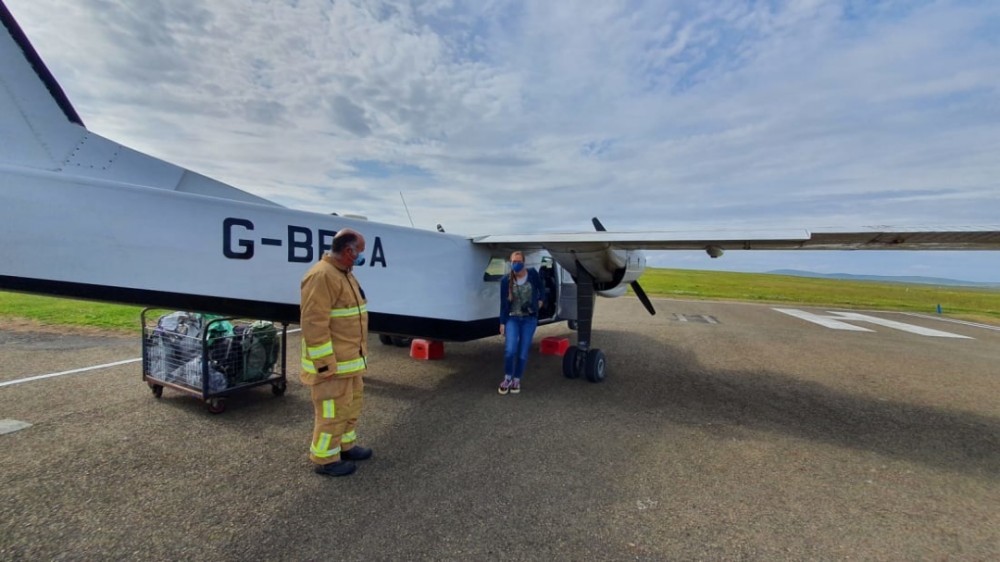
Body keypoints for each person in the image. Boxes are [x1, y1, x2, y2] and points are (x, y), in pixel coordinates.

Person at [299, 228, 372, 477]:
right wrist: (324, 365)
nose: (362, 256)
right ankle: (325, 458)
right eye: (360, 251)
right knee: (331, 411)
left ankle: (345, 446)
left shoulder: (345, 274)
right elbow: (314, 323)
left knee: (350, 406)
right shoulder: (321, 276)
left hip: (351, 362)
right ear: (349, 251)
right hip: (333, 366)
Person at [498, 251, 544, 395]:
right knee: (510, 350)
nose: (516, 264)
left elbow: (541, 288)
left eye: (518, 261)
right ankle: (507, 378)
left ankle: (517, 379)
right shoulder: (506, 281)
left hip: (529, 319)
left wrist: (541, 300)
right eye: (513, 261)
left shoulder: (532, 274)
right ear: (510, 262)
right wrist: (502, 322)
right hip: (512, 318)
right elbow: (503, 304)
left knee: (523, 352)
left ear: (524, 262)